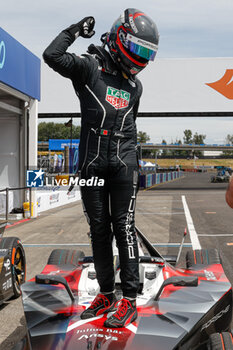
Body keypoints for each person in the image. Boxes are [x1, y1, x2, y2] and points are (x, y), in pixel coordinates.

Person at [43, 8, 159, 327]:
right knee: (98, 230)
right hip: (92, 167)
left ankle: (130, 299)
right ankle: (107, 294)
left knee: (123, 227)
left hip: (124, 167)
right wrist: (77, 29)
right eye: (138, 49)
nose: (141, 58)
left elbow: (130, 126)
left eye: (147, 53)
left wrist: (134, 163)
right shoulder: (88, 68)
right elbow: (52, 54)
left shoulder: (136, 87)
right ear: (121, 39)